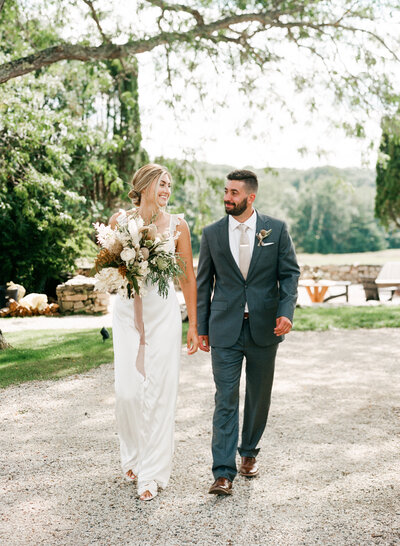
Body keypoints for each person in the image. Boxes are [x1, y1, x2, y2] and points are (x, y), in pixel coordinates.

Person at [197, 169, 300, 496]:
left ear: (250, 197)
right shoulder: (211, 233)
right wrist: (200, 328)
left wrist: (286, 313)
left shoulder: (277, 229)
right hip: (224, 328)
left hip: (264, 328)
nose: (227, 197)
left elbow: (290, 276)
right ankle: (223, 473)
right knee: (225, 398)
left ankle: (250, 453)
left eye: (234, 193)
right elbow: (203, 285)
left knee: (258, 396)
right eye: (226, 191)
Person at [110, 163, 199, 501]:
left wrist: (194, 323)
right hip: (125, 313)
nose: (166, 190)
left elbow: (187, 277)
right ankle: (132, 456)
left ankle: (151, 473)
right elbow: (109, 265)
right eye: (162, 184)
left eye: (169, 185)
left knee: (161, 393)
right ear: (145, 185)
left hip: (163, 314)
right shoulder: (120, 222)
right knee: (128, 392)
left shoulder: (178, 225)